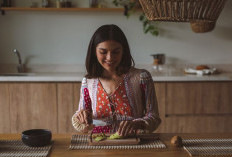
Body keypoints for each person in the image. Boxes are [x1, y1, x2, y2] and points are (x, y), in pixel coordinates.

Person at [72, 24, 161, 137]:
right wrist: (82, 117)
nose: (109, 57)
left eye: (116, 52)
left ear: (123, 51)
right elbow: (82, 123)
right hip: (99, 145)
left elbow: (154, 117)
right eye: (103, 52)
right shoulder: (88, 81)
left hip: (133, 144)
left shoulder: (141, 78)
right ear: (94, 51)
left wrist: (137, 124)